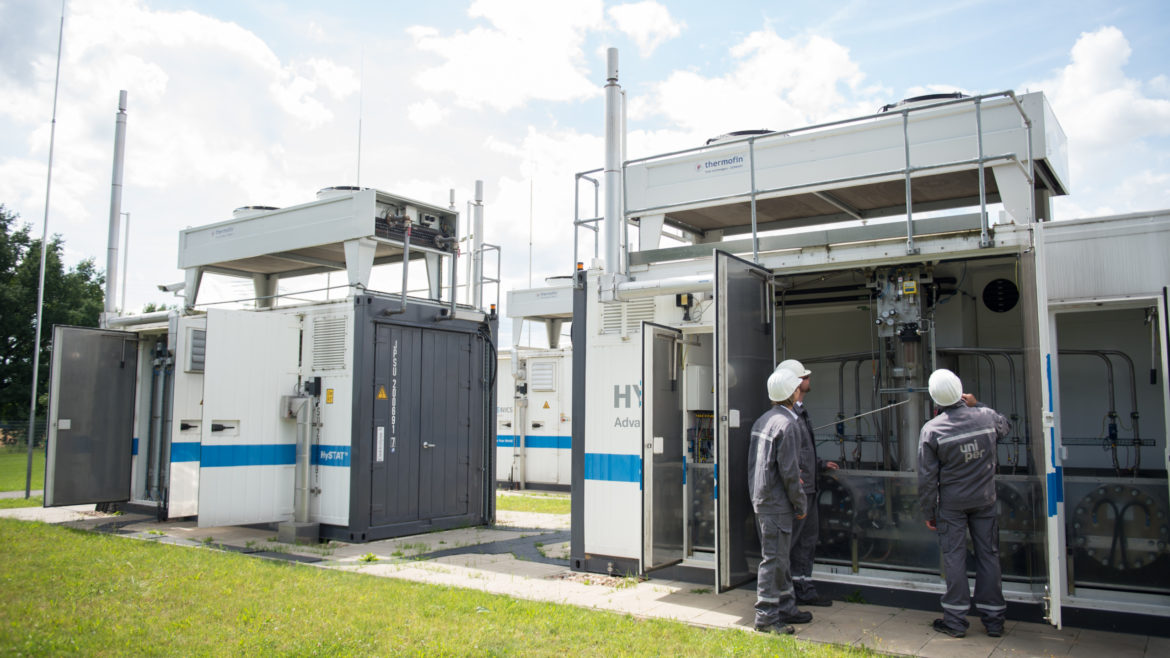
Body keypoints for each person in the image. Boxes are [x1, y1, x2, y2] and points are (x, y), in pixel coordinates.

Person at [917, 368, 1011, 639]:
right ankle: (994, 620)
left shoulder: (932, 430)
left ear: (934, 399)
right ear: (961, 392)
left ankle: (956, 621)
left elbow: (926, 478)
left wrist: (928, 511)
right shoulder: (985, 417)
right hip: (984, 500)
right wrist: (977, 403)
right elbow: (1006, 426)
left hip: (952, 504)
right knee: (989, 555)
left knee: (955, 558)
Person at [747, 368, 812, 635]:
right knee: (773, 560)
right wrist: (800, 504)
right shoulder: (789, 424)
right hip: (777, 504)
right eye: (798, 387)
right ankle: (766, 617)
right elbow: (790, 472)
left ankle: (786, 607)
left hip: (763, 499)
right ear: (792, 392)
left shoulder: (764, 420)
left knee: (779, 559)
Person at [777, 358, 839, 608]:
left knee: (807, 541)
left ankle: (803, 587)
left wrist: (820, 464)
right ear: (796, 383)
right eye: (805, 376)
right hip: (797, 491)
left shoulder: (799, 412)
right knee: (790, 543)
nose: (808, 379)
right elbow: (786, 455)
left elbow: (801, 450)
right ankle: (785, 594)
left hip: (808, 488)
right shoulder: (787, 416)